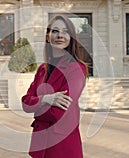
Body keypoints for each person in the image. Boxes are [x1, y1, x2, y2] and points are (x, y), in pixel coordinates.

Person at [22, 14, 88, 158]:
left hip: (62, 147)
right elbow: (25, 103)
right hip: (41, 145)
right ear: (47, 36)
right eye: (55, 31)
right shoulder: (42, 70)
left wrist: (36, 105)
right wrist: (46, 99)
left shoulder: (76, 68)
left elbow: (59, 113)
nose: (60, 35)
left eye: (65, 32)